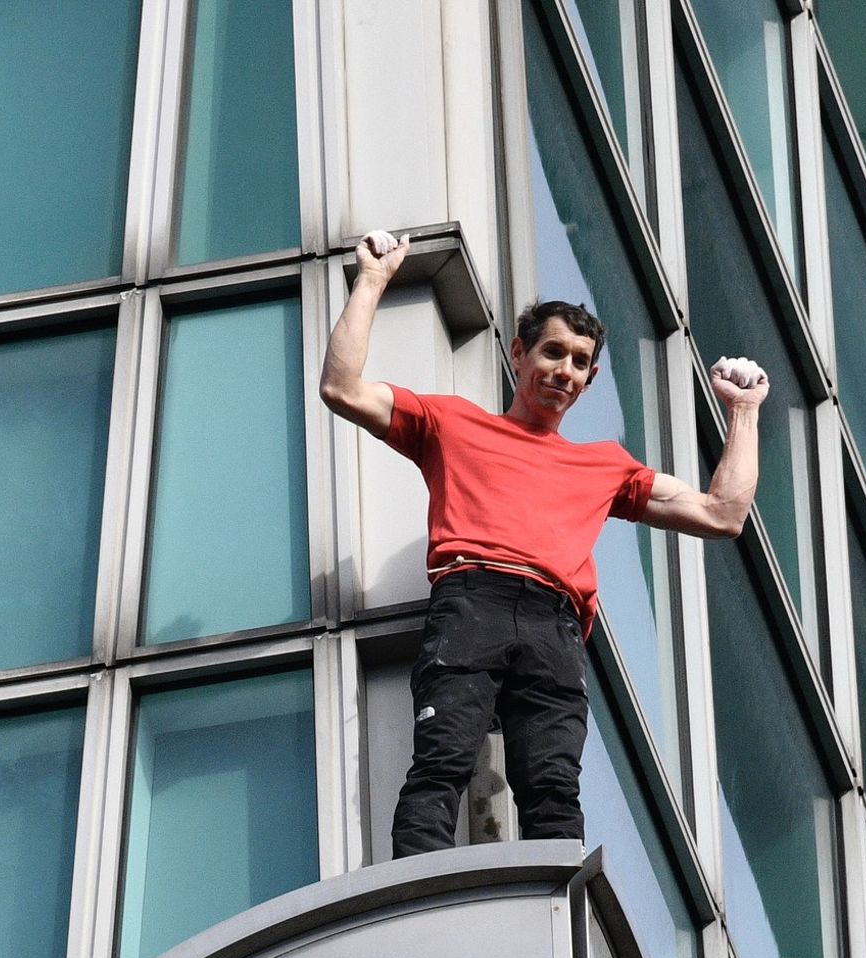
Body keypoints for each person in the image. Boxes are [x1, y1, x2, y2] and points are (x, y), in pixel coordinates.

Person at [321, 229, 769, 857]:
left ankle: (557, 907)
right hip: (471, 598)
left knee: (553, 790)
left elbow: (724, 514)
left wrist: (744, 412)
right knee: (442, 760)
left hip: (554, 623)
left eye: (580, 362)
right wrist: (372, 280)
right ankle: (416, 891)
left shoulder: (605, 465)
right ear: (519, 354)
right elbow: (342, 386)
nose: (565, 371)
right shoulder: (453, 422)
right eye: (553, 352)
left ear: (589, 380)